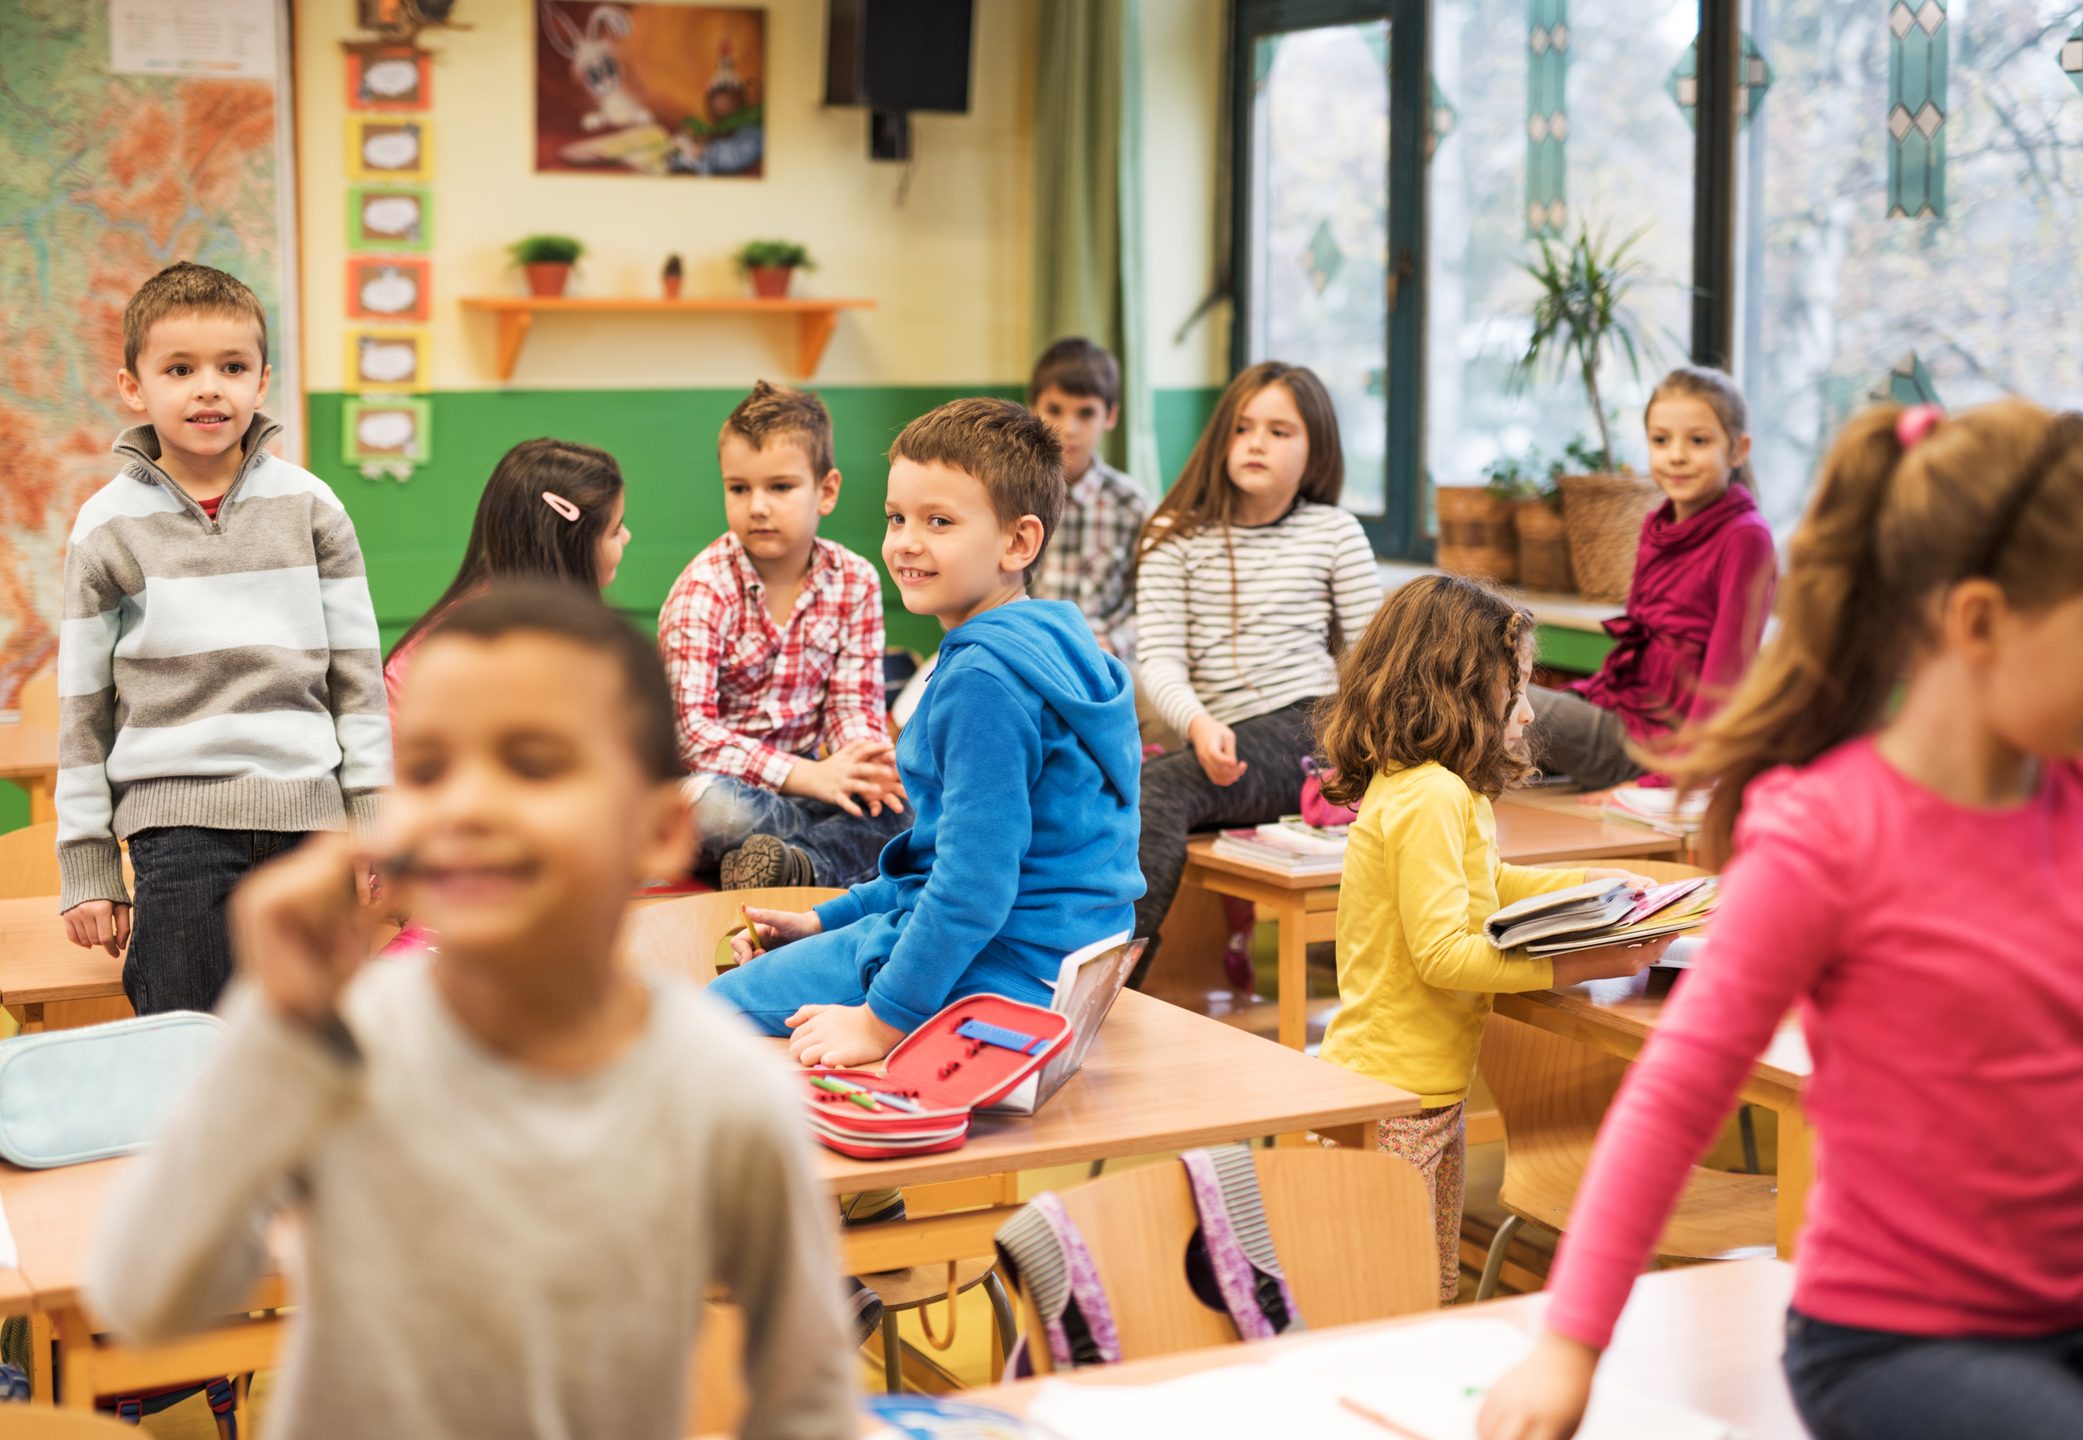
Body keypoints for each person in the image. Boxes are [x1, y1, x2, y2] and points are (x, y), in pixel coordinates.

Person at [92, 583, 855, 1439]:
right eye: (428, 769)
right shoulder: (346, 1045)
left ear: (657, 833)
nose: (467, 806)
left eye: (532, 764)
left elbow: (809, 1404)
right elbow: (143, 1298)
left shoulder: (723, 1093)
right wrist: (275, 1027)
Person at [1479, 401, 2083, 1440]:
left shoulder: (2065, 802)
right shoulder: (1827, 837)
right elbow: (1674, 1098)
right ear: (1979, 623)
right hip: (1897, 1342)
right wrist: (1568, 1346)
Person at [713, 397, 1142, 1070]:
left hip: (1010, 973)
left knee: (715, 1011)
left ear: (1018, 542)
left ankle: (846, 1169)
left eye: (938, 522)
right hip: (1076, 958)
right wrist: (824, 920)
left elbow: (970, 888)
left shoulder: (984, 680)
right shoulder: (1057, 639)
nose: (905, 542)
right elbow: (945, 859)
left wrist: (881, 1023)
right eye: (896, 518)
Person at [1314, 574, 1669, 1304]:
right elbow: (1445, 957)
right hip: (1391, 1104)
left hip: (1421, 1097)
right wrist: (1581, 963)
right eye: (1515, 687)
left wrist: (1607, 886)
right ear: (1458, 688)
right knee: (1391, 1311)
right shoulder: (1429, 796)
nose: (1529, 710)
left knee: (1426, 1297)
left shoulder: (1439, 786)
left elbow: (1492, 883)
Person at [55, 261, 390, 1015]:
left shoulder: (312, 505)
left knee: (319, 1042)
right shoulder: (105, 525)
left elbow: (358, 679)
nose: (209, 387)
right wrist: (88, 866)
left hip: (313, 827)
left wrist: (374, 821)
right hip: (178, 834)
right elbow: (83, 707)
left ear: (261, 380)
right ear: (134, 388)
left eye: (231, 366)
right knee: (184, 1045)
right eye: (180, 368)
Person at [1130, 361, 1380, 973]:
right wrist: (1195, 724)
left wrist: (1365, 752)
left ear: (1315, 449)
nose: (1256, 443)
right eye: (1242, 427)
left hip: (1310, 726)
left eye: (1280, 431)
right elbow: (1159, 657)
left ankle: (1115, 976)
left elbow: (1371, 659)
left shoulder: (1335, 532)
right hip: (1218, 731)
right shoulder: (1171, 534)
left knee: (1159, 789)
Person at [659, 381, 907, 889]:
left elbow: (852, 707)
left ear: (828, 491)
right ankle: (820, 858)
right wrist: (808, 776)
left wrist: (865, 768)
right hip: (725, 790)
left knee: (911, 802)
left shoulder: (855, 579)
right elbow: (689, 735)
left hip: (809, 788)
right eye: (739, 488)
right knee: (711, 811)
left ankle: (794, 865)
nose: (758, 507)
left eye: (780, 487)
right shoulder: (704, 588)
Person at [1529, 366, 1777, 789]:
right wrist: (1584, 694)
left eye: (1698, 441)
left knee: (1490, 701)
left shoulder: (1745, 538)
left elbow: (1726, 680)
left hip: (1654, 746)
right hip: (1617, 712)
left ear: (1738, 449)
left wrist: (1669, 779)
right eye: (1661, 440)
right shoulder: (1655, 525)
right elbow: (1637, 653)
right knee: (1481, 698)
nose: (1676, 455)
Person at [383, 436, 632, 721]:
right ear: (567, 544)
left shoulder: (536, 626)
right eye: (615, 530)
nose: (627, 536)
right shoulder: (490, 644)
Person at [1026, 336, 1151, 659]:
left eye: (1086, 413)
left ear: (1110, 417)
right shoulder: (1010, 495)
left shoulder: (1132, 506)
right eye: (1054, 409)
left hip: (1102, 660)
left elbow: (1156, 610)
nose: (1069, 428)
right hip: (1021, 652)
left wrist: (1111, 645)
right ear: (1032, 409)